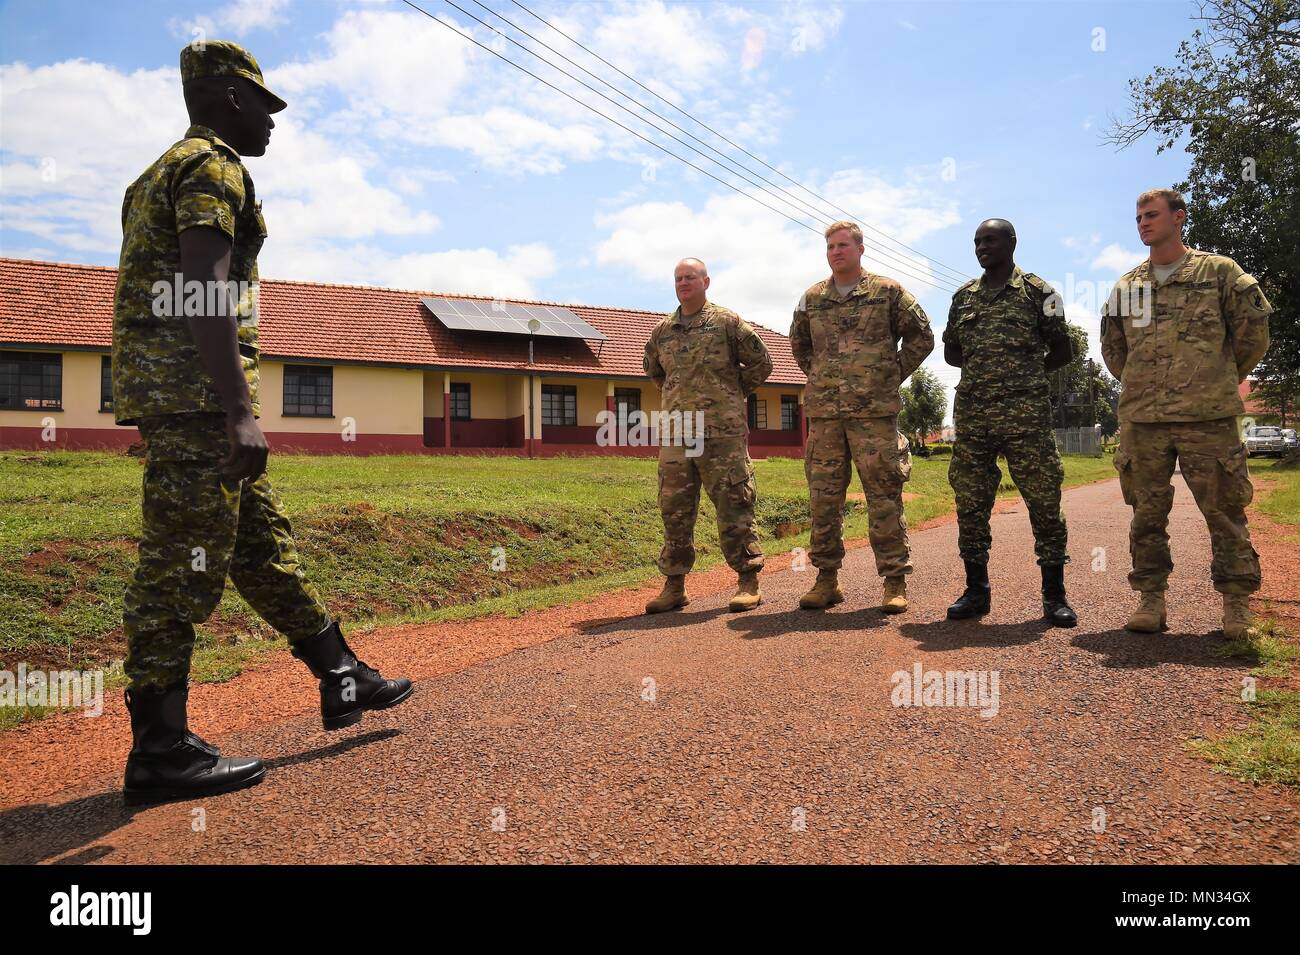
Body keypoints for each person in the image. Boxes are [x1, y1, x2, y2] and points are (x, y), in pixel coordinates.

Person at [113, 41, 412, 805]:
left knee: (260, 548)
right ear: (223, 97)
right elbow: (205, 287)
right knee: (176, 572)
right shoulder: (211, 168)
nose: (273, 121)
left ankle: (341, 672)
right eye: (263, 103)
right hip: (199, 406)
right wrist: (238, 412)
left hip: (184, 400)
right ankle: (160, 751)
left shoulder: (152, 175)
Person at [1100, 188, 1272, 638]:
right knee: (1146, 514)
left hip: (1207, 417)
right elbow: (1114, 352)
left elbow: (1253, 337)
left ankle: (1236, 606)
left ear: (1179, 218)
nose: (1142, 223)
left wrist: (1214, 378)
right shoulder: (1127, 287)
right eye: (1138, 216)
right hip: (1143, 420)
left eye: (1151, 215)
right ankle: (1150, 600)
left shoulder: (1220, 273)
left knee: (1225, 511)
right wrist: (1145, 385)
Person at [789, 221, 934, 613]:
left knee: (884, 496)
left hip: (874, 416)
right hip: (825, 418)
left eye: (843, 245)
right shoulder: (811, 298)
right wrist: (823, 378)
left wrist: (889, 375)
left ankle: (894, 581)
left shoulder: (888, 292)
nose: (836, 252)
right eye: (830, 247)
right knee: (824, 499)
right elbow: (799, 344)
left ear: (860, 249)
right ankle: (826, 581)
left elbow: (922, 336)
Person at [943, 219, 1078, 626]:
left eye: (990, 240)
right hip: (974, 415)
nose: (982, 247)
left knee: (1044, 502)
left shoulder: (1041, 293)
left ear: (1011, 243)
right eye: (977, 242)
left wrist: (1025, 376)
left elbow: (1062, 350)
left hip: (1027, 417)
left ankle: (1054, 596)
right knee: (970, 501)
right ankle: (976, 592)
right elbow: (952, 353)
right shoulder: (962, 297)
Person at [642, 258, 773, 614]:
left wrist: (731, 392)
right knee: (674, 509)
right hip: (678, 432)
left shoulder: (727, 323)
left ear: (706, 281)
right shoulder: (662, 331)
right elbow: (655, 372)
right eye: (678, 278)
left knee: (734, 503)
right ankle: (674, 585)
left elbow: (762, 363)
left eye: (690, 277)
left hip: (721, 431)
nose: (683, 283)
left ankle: (748, 580)